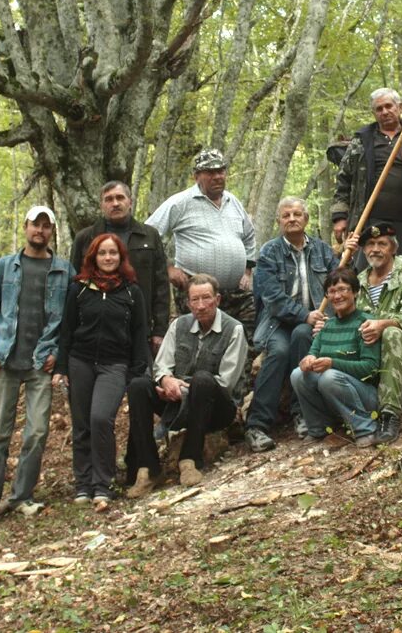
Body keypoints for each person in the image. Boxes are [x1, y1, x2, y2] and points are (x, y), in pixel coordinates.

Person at [0, 205, 75, 514]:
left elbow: (71, 323)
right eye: (35, 225)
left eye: (46, 226)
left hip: (40, 364)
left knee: (37, 432)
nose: (40, 230)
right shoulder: (5, 267)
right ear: (24, 227)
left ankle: (21, 498)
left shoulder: (63, 270)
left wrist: (57, 354)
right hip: (4, 361)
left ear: (52, 231)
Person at [125, 275, 247, 497]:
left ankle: (190, 459)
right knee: (138, 386)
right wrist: (165, 380)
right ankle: (149, 468)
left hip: (216, 408)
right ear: (188, 302)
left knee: (202, 380)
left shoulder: (234, 329)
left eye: (206, 298)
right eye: (195, 300)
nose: (200, 306)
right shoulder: (178, 325)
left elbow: (226, 383)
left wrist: (182, 387)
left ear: (217, 299)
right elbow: (161, 365)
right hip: (176, 404)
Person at [53, 234, 149, 510]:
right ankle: (83, 484)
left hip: (114, 365)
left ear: (121, 257)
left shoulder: (132, 291)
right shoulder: (80, 289)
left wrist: (136, 370)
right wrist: (61, 368)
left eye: (113, 253)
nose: (108, 258)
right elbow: (66, 330)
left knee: (100, 419)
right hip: (80, 361)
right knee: (82, 424)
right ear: (93, 257)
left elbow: (140, 333)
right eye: (102, 253)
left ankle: (102, 484)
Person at [246, 198, 339, 452]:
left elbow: (337, 285)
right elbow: (273, 300)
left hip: (313, 322)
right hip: (277, 323)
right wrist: (304, 315)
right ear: (279, 221)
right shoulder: (269, 253)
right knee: (279, 352)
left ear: (306, 219)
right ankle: (257, 425)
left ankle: (303, 413)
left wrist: (324, 318)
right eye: (286, 215)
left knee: (302, 336)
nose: (292, 219)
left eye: (297, 214)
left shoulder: (322, 250)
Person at [145, 149, 257, 329]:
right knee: (199, 343)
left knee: (244, 341)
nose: (217, 177)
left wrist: (247, 269)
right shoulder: (180, 202)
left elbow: (249, 235)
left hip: (236, 294)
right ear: (196, 176)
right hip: (197, 293)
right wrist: (168, 268)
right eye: (210, 172)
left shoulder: (233, 201)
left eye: (221, 171)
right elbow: (147, 235)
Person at [341, 221, 402, 444]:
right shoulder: (359, 281)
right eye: (370, 244)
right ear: (363, 249)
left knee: (391, 333)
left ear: (393, 248)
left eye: (382, 243)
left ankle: (389, 416)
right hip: (370, 357)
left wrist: (383, 324)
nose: (375, 249)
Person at [330, 88, 402, 263]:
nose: (384, 112)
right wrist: (340, 218)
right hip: (368, 219)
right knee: (366, 271)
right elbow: (343, 179)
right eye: (379, 109)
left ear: (400, 107)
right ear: (374, 113)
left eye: (389, 106)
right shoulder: (362, 140)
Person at [70, 181, 170, 353]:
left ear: (130, 202)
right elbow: (74, 285)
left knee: (140, 378)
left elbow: (161, 285)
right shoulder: (85, 238)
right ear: (101, 205)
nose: (115, 203)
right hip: (95, 331)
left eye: (120, 198)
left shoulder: (149, 235)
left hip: (139, 328)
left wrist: (160, 330)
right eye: (108, 199)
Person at [290, 268, 381, 448]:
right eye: (332, 291)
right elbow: (313, 352)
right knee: (298, 374)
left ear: (355, 292)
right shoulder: (326, 325)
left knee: (329, 377)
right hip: (335, 396)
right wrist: (307, 361)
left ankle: (365, 428)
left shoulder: (366, 323)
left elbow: (371, 369)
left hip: (366, 396)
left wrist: (333, 363)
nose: (337, 296)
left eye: (342, 289)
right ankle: (319, 428)